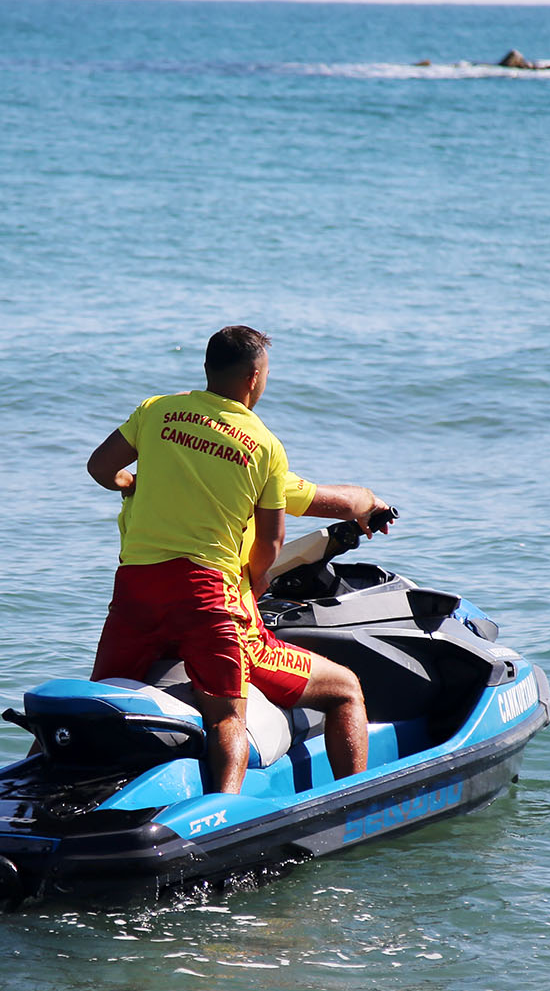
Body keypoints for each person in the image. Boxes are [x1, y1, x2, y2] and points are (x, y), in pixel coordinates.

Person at [86, 326, 376, 795]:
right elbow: (272, 540)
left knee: (102, 700)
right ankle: (225, 813)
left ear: (206, 370)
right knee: (229, 714)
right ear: (253, 377)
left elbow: (100, 467)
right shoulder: (263, 446)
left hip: (136, 590)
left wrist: (130, 483)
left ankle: (36, 785)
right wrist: (257, 580)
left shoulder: (156, 410)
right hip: (208, 596)